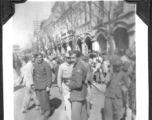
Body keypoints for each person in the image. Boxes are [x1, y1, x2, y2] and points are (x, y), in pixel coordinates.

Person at [104, 55, 130, 120]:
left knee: (119, 114)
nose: (119, 68)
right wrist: (110, 72)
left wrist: (122, 84)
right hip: (109, 96)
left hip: (118, 97)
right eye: (117, 67)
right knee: (108, 114)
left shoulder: (123, 73)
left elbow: (128, 85)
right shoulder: (110, 72)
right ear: (114, 66)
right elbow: (107, 80)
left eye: (120, 66)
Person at [65, 50, 88, 120]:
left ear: (78, 57)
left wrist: (69, 84)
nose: (71, 60)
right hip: (82, 94)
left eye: (73, 58)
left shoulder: (78, 68)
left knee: (76, 116)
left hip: (77, 95)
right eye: (70, 58)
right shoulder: (78, 65)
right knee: (83, 115)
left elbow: (78, 84)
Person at [33, 53, 52, 120]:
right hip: (37, 85)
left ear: (42, 57)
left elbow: (49, 76)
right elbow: (34, 75)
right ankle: (43, 109)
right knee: (40, 99)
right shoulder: (35, 64)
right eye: (38, 57)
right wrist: (34, 85)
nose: (39, 59)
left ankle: (47, 112)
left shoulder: (46, 64)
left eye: (40, 57)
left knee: (45, 100)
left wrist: (48, 86)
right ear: (36, 58)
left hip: (44, 85)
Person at [57, 53, 73, 120]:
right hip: (65, 86)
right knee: (68, 102)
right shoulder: (61, 66)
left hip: (73, 85)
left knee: (73, 101)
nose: (69, 59)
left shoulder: (73, 65)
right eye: (67, 58)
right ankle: (70, 117)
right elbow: (59, 77)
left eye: (70, 58)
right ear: (65, 58)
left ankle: (73, 114)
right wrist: (59, 86)